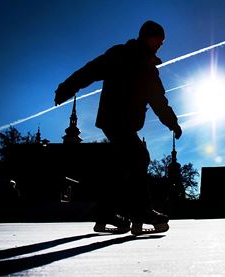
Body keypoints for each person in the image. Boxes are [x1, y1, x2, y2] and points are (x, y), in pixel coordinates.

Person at [54, 20, 182, 235]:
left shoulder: (149, 67)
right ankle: (141, 212)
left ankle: (106, 215)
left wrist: (172, 122)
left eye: (162, 42)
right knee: (139, 156)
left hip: (125, 123)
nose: (160, 45)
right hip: (114, 118)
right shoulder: (122, 54)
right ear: (147, 37)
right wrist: (67, 87)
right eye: (158, 41)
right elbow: (91, 70)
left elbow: (159, 100)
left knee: (123, 167)